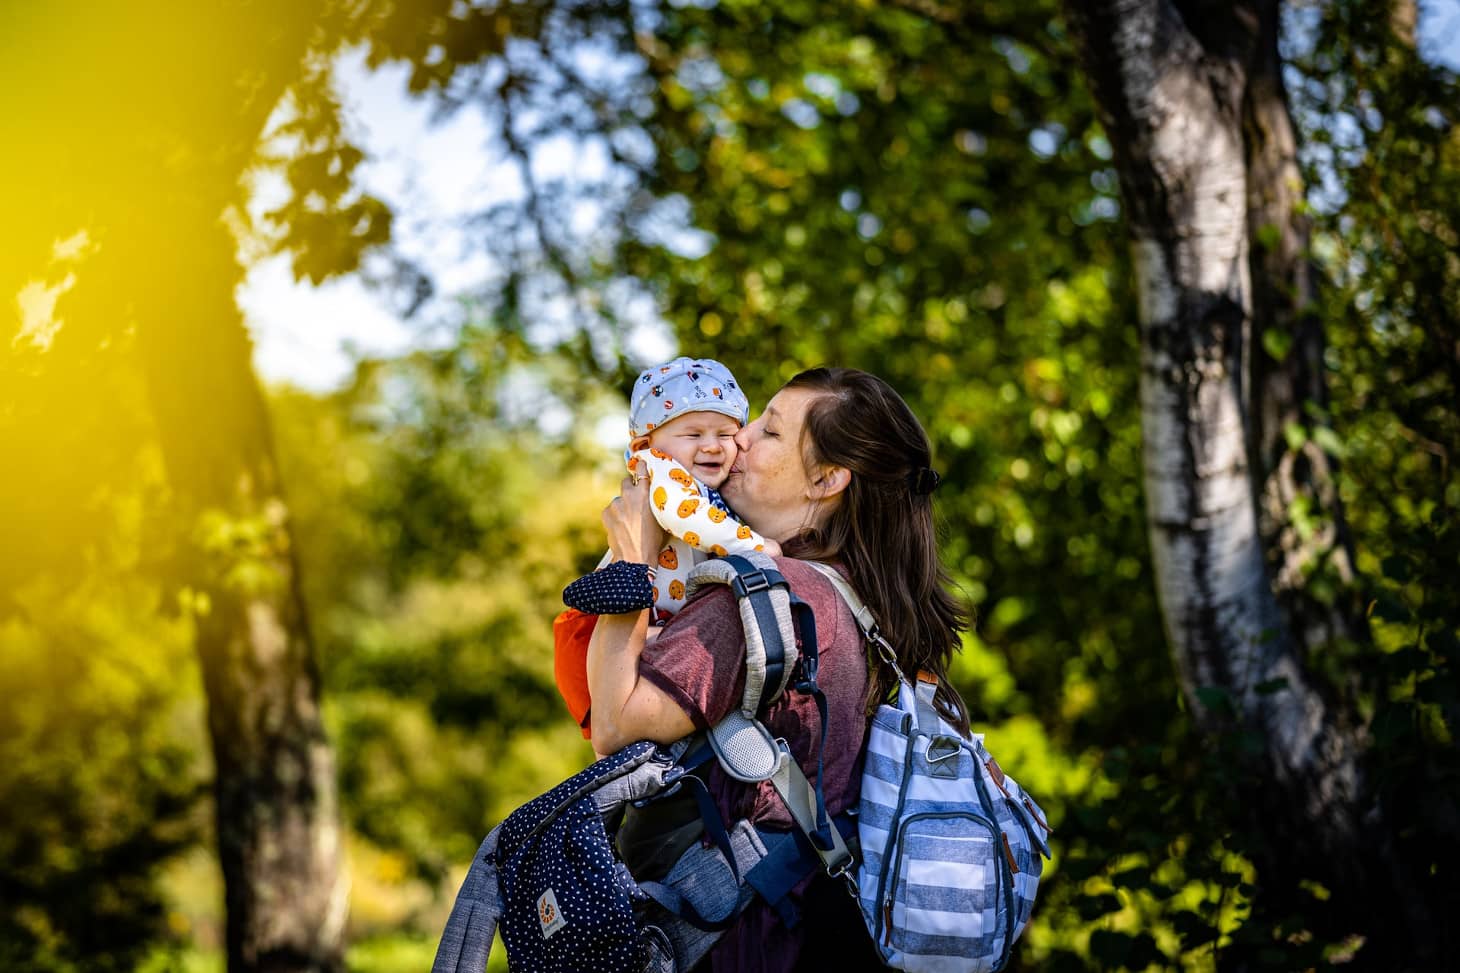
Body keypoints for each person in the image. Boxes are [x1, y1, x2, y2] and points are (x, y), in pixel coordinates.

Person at [588, 367, 971, 972]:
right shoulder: (875, 606)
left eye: (767, 431)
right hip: (830, 932)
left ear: (826, 479)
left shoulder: (762, 598)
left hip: (745, 941)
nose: (736, 440)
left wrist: (630, 566)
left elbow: (615, 727)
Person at [554, 356, 777, 738]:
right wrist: (756, 547)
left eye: (725, 434)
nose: (712, 446)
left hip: (648, 621)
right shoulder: (661, 471)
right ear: (646, 443)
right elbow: (685, 516)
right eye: (693, 435)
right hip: (601, 629)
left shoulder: (704, 485)